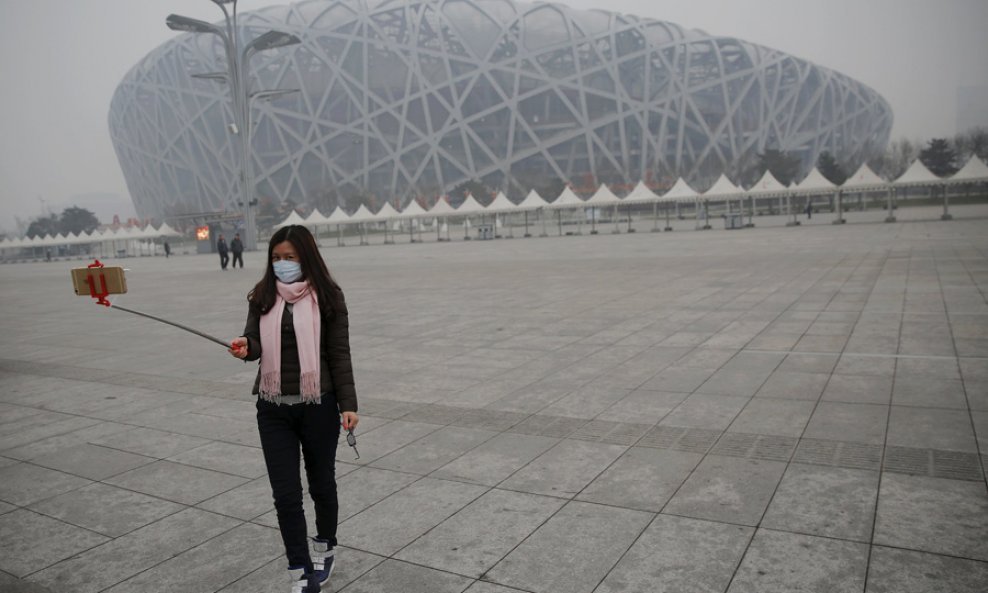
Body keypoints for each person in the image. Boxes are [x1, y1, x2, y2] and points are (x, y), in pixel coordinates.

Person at [228, 224, 358, 593]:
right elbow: (254, 342)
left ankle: (325, 546)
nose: (282, 264)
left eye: (290, 257)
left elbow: (338, 353)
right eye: (276, 258)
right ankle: (300, 571)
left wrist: (348, 404)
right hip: (273, 409)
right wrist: (245, 347)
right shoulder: (262, 295)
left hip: (319, 405)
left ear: (306, 257)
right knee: (286, 494)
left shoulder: (329, 296)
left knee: (321, 484)